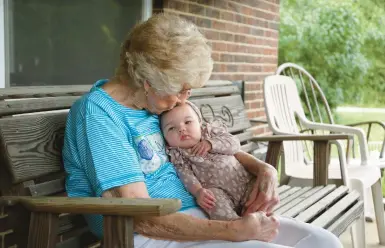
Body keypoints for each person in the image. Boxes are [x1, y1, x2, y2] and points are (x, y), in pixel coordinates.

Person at [62, 13, 343, 248]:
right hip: (147, 235)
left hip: (202, 215)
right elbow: (139, 214)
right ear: (147, 81)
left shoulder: (157, 105)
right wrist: (232, 231)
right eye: (180, 90)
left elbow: (214, 146)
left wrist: (264, 169)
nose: (184, 100)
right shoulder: (99, 113)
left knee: (322, 242)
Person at [161, 101, 257, 220]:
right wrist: (198, 192)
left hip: (245, 182)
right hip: (220, 193)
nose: (181, 129)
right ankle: (235, 224)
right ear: (165, 139)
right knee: (211, 200)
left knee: (259, 190)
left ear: (200, 123)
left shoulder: (211, 133)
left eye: (188, 122)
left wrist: (212, 144)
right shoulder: (179, 155)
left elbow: (234, 144)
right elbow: (187, 177)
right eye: (171, 128)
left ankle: (259, 218)